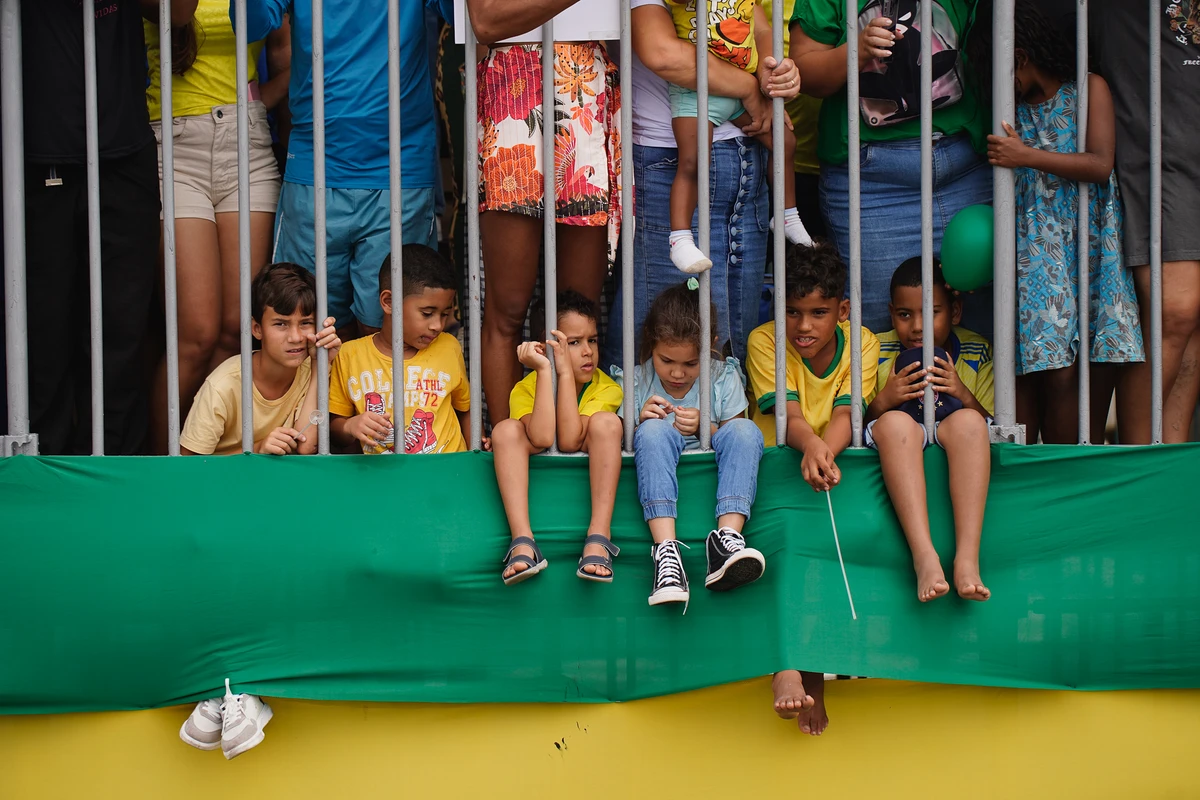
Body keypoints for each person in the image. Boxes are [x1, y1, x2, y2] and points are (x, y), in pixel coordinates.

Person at [16, 0, 198, 454]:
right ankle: (45, 465)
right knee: (45, 327)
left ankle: (112, 463)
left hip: (122, 153)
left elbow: (177, 11)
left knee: (122, 327)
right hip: (39, 156)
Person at [973, 0, 1142, 444]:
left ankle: (1073, 460)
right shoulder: (1010, 111)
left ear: (1021, 57)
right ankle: (1033, 464)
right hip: (1035, 244)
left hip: (1087, 240)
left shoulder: (1088, 90)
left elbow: (1100, 163)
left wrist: (1026, 156)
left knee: (1092, 358)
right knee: (1044, 363)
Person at [605, 0, 803, 370]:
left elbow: (755, 21)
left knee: (728, 356)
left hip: (746, 153)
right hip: (671, 155)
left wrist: (775, 70)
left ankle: (788, 215)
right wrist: (746, 85)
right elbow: (662, 52)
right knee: (662, 355)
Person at [236, 0, 452, 340]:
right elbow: (249, 23)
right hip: (315, 171)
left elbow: (470, 16)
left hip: (399, 171)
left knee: (391, 333)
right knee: (305, 329)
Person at [789, 0, 994, 338]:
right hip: (873, 186)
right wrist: (857, 50)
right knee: (879, 341)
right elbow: (804, 73)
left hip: (966, 172)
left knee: (982, 337)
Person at [745, 240, 879, 737]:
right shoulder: (765, 340)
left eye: (818, 312)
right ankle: (788, 664)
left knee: (833, 555)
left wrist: (824, 451)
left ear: (841, 311)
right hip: (780, 460)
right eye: (793, 312)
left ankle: (817, 671)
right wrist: (812, 449)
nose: (803, 326)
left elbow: (849, 411)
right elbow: (788, 417)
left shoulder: (862, 340)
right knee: (786, 555)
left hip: (828, 457)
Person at [466, 0, 622, 424]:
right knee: (509, 308)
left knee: (579, 314)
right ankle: (505, 438)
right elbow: (485, 20)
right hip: (510, 92)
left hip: (583, 93)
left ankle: (572, 441)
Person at [145, 0, 290, 454]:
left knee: (236, 327)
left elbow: (288, 58)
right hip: (174, 144)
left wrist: (250, 107)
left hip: (246, 141)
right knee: (197, 333)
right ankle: (166, 464)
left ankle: (219, 456)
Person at [615, 281, 765, 610]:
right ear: (650, 344)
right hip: (657, 480)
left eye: (691, 363)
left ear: (709, 346)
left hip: (719, 483)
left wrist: (704, 427)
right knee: (653, 430)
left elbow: (738, 440)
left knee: (746, 429)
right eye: (666, 360)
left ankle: (727, 541)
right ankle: (667, 553)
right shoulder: (635, 382)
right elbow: (610, 441)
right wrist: (637, 422)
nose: (678, 374)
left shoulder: (723, 377)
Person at [1091, 0, 1200, 443]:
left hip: (1184, 129)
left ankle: (1165, 462)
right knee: (1174, 311)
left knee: (1192, 324)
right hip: (1161, 144)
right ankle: (1137, 465)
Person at [867, 258, 992, 601]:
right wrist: (885, 399)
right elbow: (860, 418)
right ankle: (925, 556)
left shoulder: (978, 348)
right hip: (901, 432)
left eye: (931, 312)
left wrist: (961, 392)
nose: (917, 327)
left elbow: (993, 422)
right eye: (904, 315)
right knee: (893, 423)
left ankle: (967, 558)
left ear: (954, 312)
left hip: (953, 428)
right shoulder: (875, 348)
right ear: (891, 313)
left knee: (970, 422)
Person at [663, 0, 813, 274]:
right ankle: (680, 239)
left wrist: (769, 72)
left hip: (745, 88)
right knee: (693, 161)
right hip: (696, 91)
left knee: (785, 141)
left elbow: (762, 29)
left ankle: (786, 215)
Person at [492, 292, 624, 585]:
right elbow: (540, 436)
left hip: (581, 438)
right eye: (573, 343)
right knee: (504, 430)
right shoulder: (524, 388)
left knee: (606, 423)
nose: (588, 351)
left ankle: (598, 538)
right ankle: (523, 541)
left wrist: (564, 373)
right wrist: (544, 370)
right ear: (544, 348)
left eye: (592, 339)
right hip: (542, 431)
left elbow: (569, 439)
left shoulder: (608, 387)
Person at [180, 262, 340, 456]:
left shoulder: (315, 368)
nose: (296, 337)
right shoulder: (224, 385)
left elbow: (305, 447)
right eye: (281, 324)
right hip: (227, 482)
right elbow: (189, 465)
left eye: (306, 323)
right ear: (257, 329)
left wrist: (320, 365)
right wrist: (256, 451)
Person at [329, 245, 470, 455]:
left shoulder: (448, 346)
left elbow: (465, 410)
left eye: (444, 314)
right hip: (384, 477)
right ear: (389, 302)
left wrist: (474, 456)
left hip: (446, 471)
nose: (437, 326)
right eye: (427, 313)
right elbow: (333, 427)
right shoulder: (350, 355)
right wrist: (351, 426)